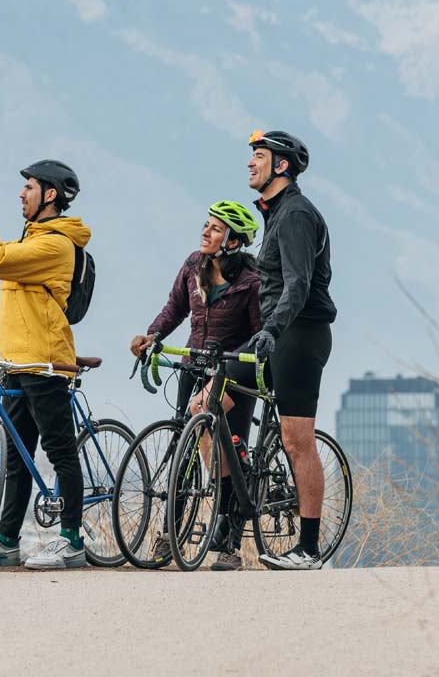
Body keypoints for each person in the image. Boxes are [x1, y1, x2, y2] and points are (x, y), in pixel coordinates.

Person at [0, 160, 92, 570]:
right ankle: (6, 540)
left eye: (29, 187)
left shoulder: (54, 245)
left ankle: (71, 540)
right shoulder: (30, 239)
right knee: (16, 457)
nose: (21, 193)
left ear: (50, 195)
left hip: (46, 362)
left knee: (60, 451)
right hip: (17, 361)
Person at [130, 200, 262, 570]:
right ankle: (171, 533)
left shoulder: (251, 282)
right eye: (207, 225)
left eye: (216, 229)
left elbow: (259, 333)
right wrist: (153, 335)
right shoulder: (194, 265)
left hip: (233, 371)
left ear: (233, 241)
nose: (206, 232)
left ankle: (230, 542)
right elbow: (175, 308)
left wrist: (233, 366)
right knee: (184, 448)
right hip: (194, 364)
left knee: (231, 451)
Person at [244, 130, 337, 570]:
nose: (250, 163)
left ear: (281, 166)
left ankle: (310, 549)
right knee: (210, 400)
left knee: (296, 440)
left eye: (259, 157)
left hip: (300, 334)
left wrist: (274, 329)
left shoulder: (296, 213)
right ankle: (229, 526)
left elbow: (297, 284)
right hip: (275, 333)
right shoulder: (274, 212)